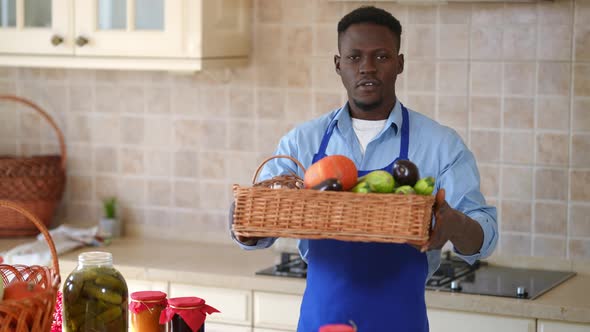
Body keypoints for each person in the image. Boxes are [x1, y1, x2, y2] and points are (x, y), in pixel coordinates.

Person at [230, 6, 497, 332]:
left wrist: (453, 224)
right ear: (338, 64)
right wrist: (244, 217)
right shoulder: (303, 141)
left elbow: (484, 237)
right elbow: (255, 233)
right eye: (354, 57)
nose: (367, 68)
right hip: (321, 321)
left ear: (400, 63)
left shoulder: (441, 144)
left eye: (381, 57)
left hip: (401, 322)